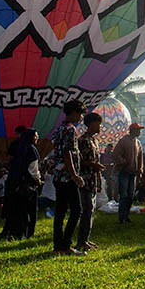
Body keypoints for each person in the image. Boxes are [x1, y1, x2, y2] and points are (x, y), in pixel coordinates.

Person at [48, 99, 86, 255]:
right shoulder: (70, 130)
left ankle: (58, 245)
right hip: (67, 176)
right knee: (77, 210)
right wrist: (74, 174)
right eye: (80, 114)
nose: (81, 117)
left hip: (58, 176)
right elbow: (67, 152)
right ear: (74, 113)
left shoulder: (59, 129)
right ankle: (66, 244)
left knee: (60, 211)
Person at [0, 129, 41, 239]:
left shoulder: (18, 147)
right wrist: (38, 180)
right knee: (28, 211)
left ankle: (11, 231)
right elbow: (33, 169)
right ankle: (25, 233)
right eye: (35, 136)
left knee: (15, 210)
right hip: (27, 185)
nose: (37, 138)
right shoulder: (31, 150)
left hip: (14, 183)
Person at [74, 111, 104, 252]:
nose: (100, 127)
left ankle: (86, 238)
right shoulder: (83, 141)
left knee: (91, 211)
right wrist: (93, 165)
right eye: (98, 124)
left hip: (93, 179)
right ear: (91, 124)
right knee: (86, 210)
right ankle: (81, 241)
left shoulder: (95, 141)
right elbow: (79, 161)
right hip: (85, 180)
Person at [114, 122, 144, 223]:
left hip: (133, 173)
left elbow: (140, 158)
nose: (139, 132)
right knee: (124, 195)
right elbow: (116, 154)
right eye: (138, 130)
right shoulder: (123, 141)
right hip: (124, 171)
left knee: (130, 195)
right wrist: (123, 162)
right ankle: (121, 216)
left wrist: (140, 170)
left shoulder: (138, 143)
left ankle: (126, 215)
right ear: (133, 131)